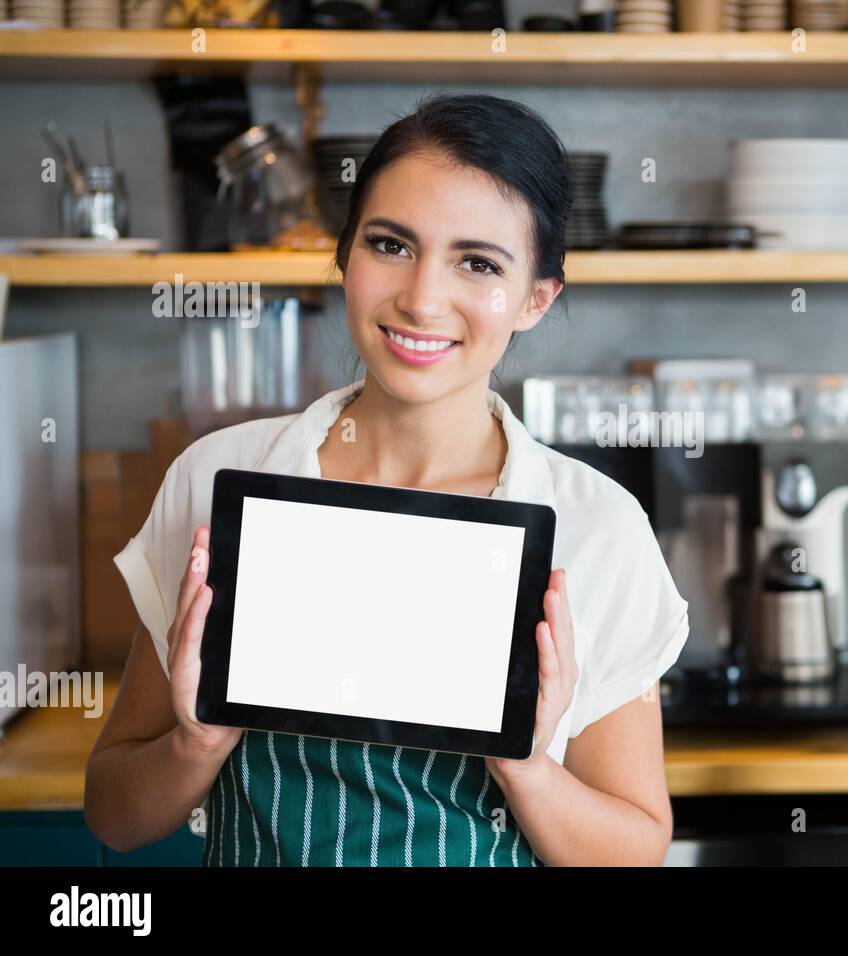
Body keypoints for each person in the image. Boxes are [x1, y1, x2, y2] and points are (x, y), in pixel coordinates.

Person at [84, 93, 691, 867]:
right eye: (391, 245)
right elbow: (113, 814)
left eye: (478, 263)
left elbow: (636, 849)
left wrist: (526, 765)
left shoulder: (598, 528)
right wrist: (196, 742)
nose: (422, 298)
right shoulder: (215, 479)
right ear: (344, 255)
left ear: (537, 299)